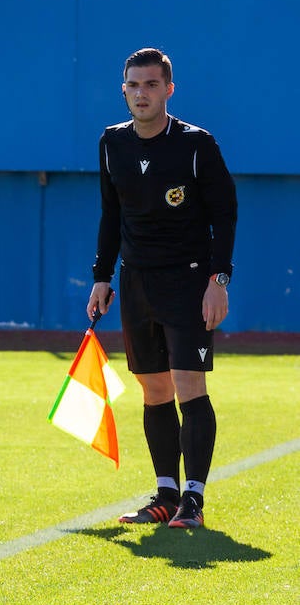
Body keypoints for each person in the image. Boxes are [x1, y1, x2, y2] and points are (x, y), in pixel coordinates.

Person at [86, 47, 237, 530]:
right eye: (133, 85)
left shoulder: (197, 145)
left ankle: (193, 499)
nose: (141, 93)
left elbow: (225, 214)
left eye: (151, 84)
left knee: (189, 384)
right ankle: (166, 494)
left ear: (168, 90)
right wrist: (103, 276)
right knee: (153, 389)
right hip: (136, 281)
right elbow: (112, 214)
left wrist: (218, 280)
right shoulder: (112, 143)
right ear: (123, 90)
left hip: (188, 280)